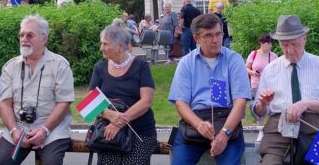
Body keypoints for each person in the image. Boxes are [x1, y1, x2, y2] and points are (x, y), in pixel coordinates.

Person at [252, 15, 319, 164]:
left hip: (316, 129)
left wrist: (306, 104)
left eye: (295, 44)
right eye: (285, 45)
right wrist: (263, 103)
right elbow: (258, 113)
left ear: (304, 38)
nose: (290, 50)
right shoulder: (270, 69)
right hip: (278, 132)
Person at [168, 14, 251, 164]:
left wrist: (225, 134)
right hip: (194, 122)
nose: (215, 40)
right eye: (208, 35)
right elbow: (180, 103)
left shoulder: (234, 60)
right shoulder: (187, 63)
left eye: (218, 34)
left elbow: (240, 103)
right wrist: (199, 124)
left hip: (227, 120)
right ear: (196, 39)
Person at [0, 15, 75, 165]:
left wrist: (45, 130)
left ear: (44, 39)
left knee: (51, 162)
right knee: (2, 163)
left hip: (52, 130)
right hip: (19, 128)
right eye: (21, 35)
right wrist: (13, 131)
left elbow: (64, 103)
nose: (24, 39)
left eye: (30, 35)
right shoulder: (10, 66)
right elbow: (4, 104)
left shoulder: (60, 64)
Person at [89, 25, 158, 164]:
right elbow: (90, 105)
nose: (101, 48)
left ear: (120, 46)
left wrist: (119, 122)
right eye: (101, 43)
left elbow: (146, 101)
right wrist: (111, 116)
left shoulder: (141, 65)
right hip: (108, 132)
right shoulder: (99, 68)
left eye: (105, 44)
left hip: (139, 131)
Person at [245, 33, 277, 100]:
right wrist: (253, 73)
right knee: (255, 107)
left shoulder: (274, 56)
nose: (271, 46)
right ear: (261, 43)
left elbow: (278, 71)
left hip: (269, 86)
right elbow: (246, 69)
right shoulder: (253, 54)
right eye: (268, 44)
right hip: (255, 86)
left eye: (271, 44)